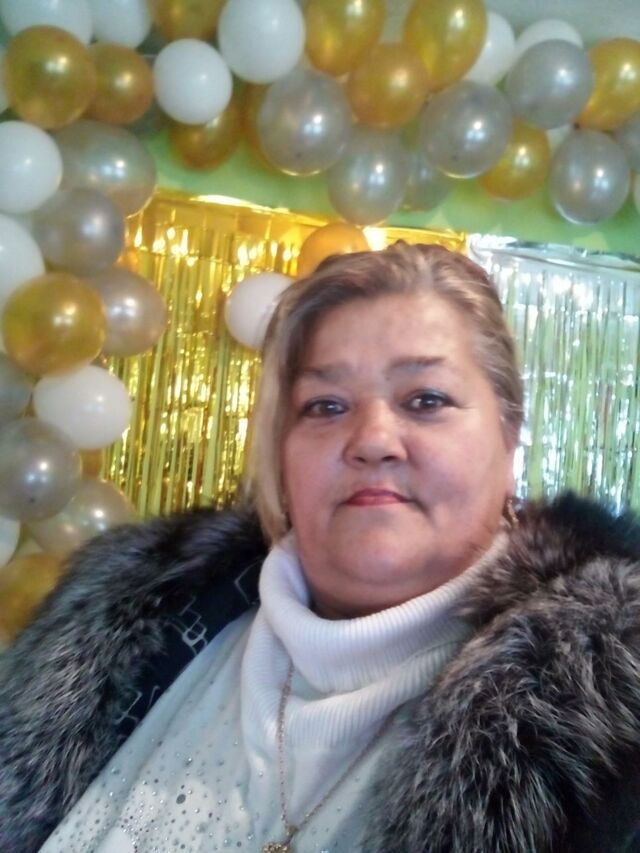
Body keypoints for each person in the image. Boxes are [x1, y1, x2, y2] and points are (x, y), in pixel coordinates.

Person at [1, 241, 640, 853]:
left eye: (426, 400)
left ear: (509, 435)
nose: (373, 440)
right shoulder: (140, 628)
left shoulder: (617, 746)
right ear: (281, 451)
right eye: (326, 406)